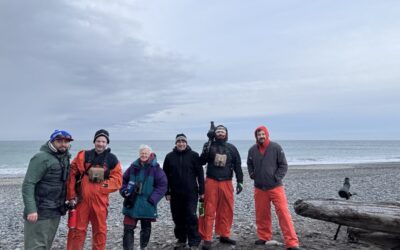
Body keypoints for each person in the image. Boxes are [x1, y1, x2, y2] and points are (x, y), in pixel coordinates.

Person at [66, 129, 122, 250]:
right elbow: (72, 175)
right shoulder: (84, 155)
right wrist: (71, 196)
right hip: (82, 200)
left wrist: (102, 186)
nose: (100, 144)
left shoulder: (112, 159)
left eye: (103, 141)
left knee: (100, 231)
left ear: (107, 143)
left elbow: (117, 180)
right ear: (94, 141)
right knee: (77, 230)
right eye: (98, 141)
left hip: (100, 201)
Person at [247, 125, 301, 250]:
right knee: (262, 214)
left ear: (267, 134)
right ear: (256, 136)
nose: (261, 136)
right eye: (258, 134)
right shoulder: (252, 150)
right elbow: (249, 163)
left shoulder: (276, 147)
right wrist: (252, 174)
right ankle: (264, 236)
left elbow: (283, 165)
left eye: (263, 134)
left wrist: (277, 177)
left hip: (275, 187)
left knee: (283, 213)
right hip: (259, 188)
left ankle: (292, 242)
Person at [22, 130, 73, 250]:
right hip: (40, 210)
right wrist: (31, 210)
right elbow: (28, 184)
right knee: (35, 245)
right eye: (59, 141)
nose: (63, 144)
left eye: (66, 141)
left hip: (55, 209)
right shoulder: (41, 158)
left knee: (46, 243)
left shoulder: (64, 158)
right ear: (52, 141)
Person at [199, 124, 243, 250]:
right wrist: (207, 145)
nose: (220, 133)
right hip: (211, 181)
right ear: (214, 133)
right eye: (218, 131)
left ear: (226, 134)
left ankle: (224, 234)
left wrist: (240, 181)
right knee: (208, 210)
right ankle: (206, 238)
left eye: (222, 131)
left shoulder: (232, 148)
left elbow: (238, 165)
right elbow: (201, 162)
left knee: (226, 210)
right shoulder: (209, 145)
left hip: (227, 182)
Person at [120, 145, 168, 250]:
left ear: (150, 154)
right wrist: (124, 191)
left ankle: (143, 247)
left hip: (147, 203)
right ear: (139, 154)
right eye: (142, 153)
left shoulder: (156, 169)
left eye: (146, 153)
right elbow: (123, 180)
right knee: (128, 228)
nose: (144, 155)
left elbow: (163, 185)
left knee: (146, 227)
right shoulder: (133, 167)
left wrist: (153, 199)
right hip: (131, 202)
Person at [163, 134, 205, 250]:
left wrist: (202, 190)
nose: (181, 143)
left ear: (186, 142)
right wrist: (167, 192)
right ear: (175, 143)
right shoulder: (169, 157)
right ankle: (181, 239)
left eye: (183, 141)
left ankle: (194, 242)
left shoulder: (194, 156)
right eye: (179, 141)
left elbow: (200, 175)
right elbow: (165, 176)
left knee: (191, 215)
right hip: (175, 193)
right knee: (177, 217)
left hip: (191, 192)